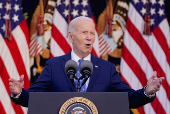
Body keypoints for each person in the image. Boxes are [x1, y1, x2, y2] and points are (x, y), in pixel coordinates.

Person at [9, 16, 164, 108]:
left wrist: (147, 91)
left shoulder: (106, 68)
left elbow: (128, 99)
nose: (90, 37)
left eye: (92, 33)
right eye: (84, 33)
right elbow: (34, 99)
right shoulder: (54, 66)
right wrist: (19, 93)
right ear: (71, 37)